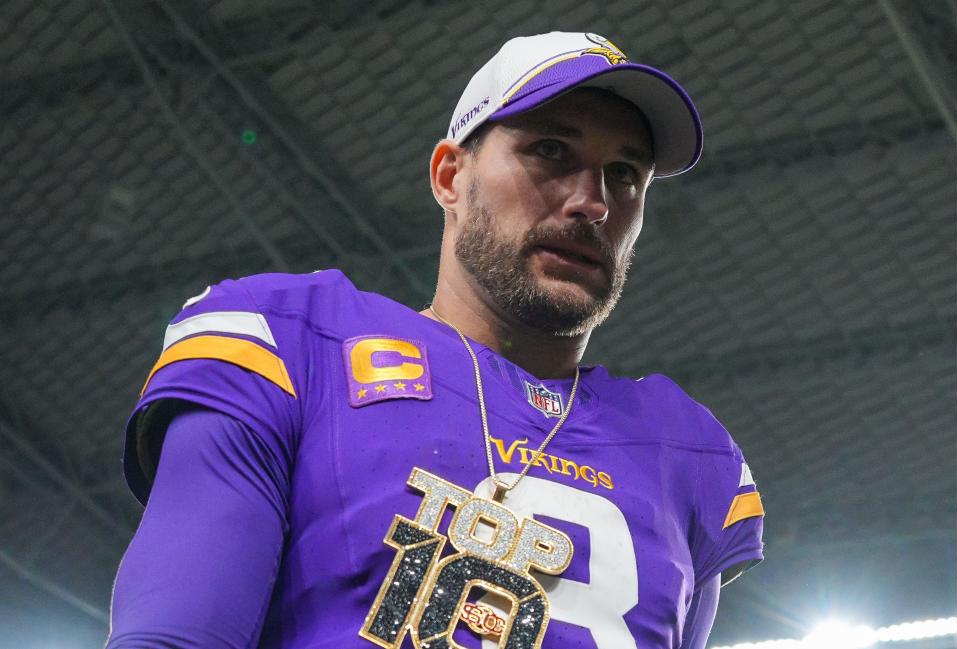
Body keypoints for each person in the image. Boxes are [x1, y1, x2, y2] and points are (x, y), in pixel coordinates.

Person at [106, 31, 764, 649]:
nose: (592, 202)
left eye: (624, 174)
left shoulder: (689, 451)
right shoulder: (293, 340)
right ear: (451, 176)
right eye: (551, 151)